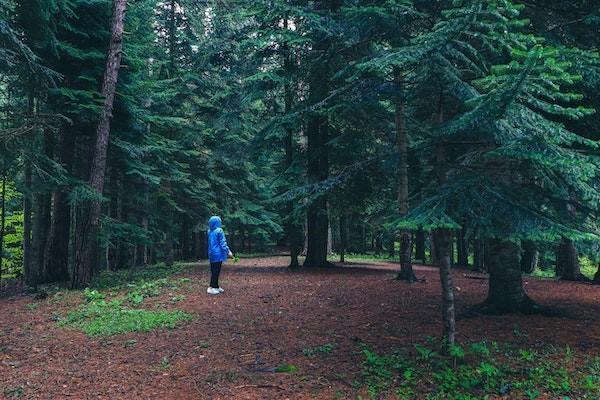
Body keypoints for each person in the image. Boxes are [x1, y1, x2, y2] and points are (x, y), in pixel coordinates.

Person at [207, 215, 234, 295]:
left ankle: (216, 286)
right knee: (216, 271)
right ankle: (212, 287)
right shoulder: (219, 230)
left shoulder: (209, 231)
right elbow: (223, 243)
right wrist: (228, 251)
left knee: (214, 270)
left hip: (211, 253)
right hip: (217, 253)